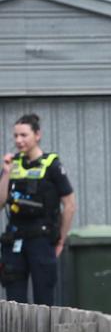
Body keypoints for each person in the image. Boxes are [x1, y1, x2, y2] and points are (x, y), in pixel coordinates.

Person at [0, 113, 76, 305]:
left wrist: (60, 239)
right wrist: (6, 174)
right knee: (14, 304)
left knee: (44, 300)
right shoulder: (13, 165)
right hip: (15, 240)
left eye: (24, 135)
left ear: (37, 135)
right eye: (15, 136)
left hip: (41, 240)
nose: (18, 140)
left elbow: (69, 204)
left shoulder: (52, 165)